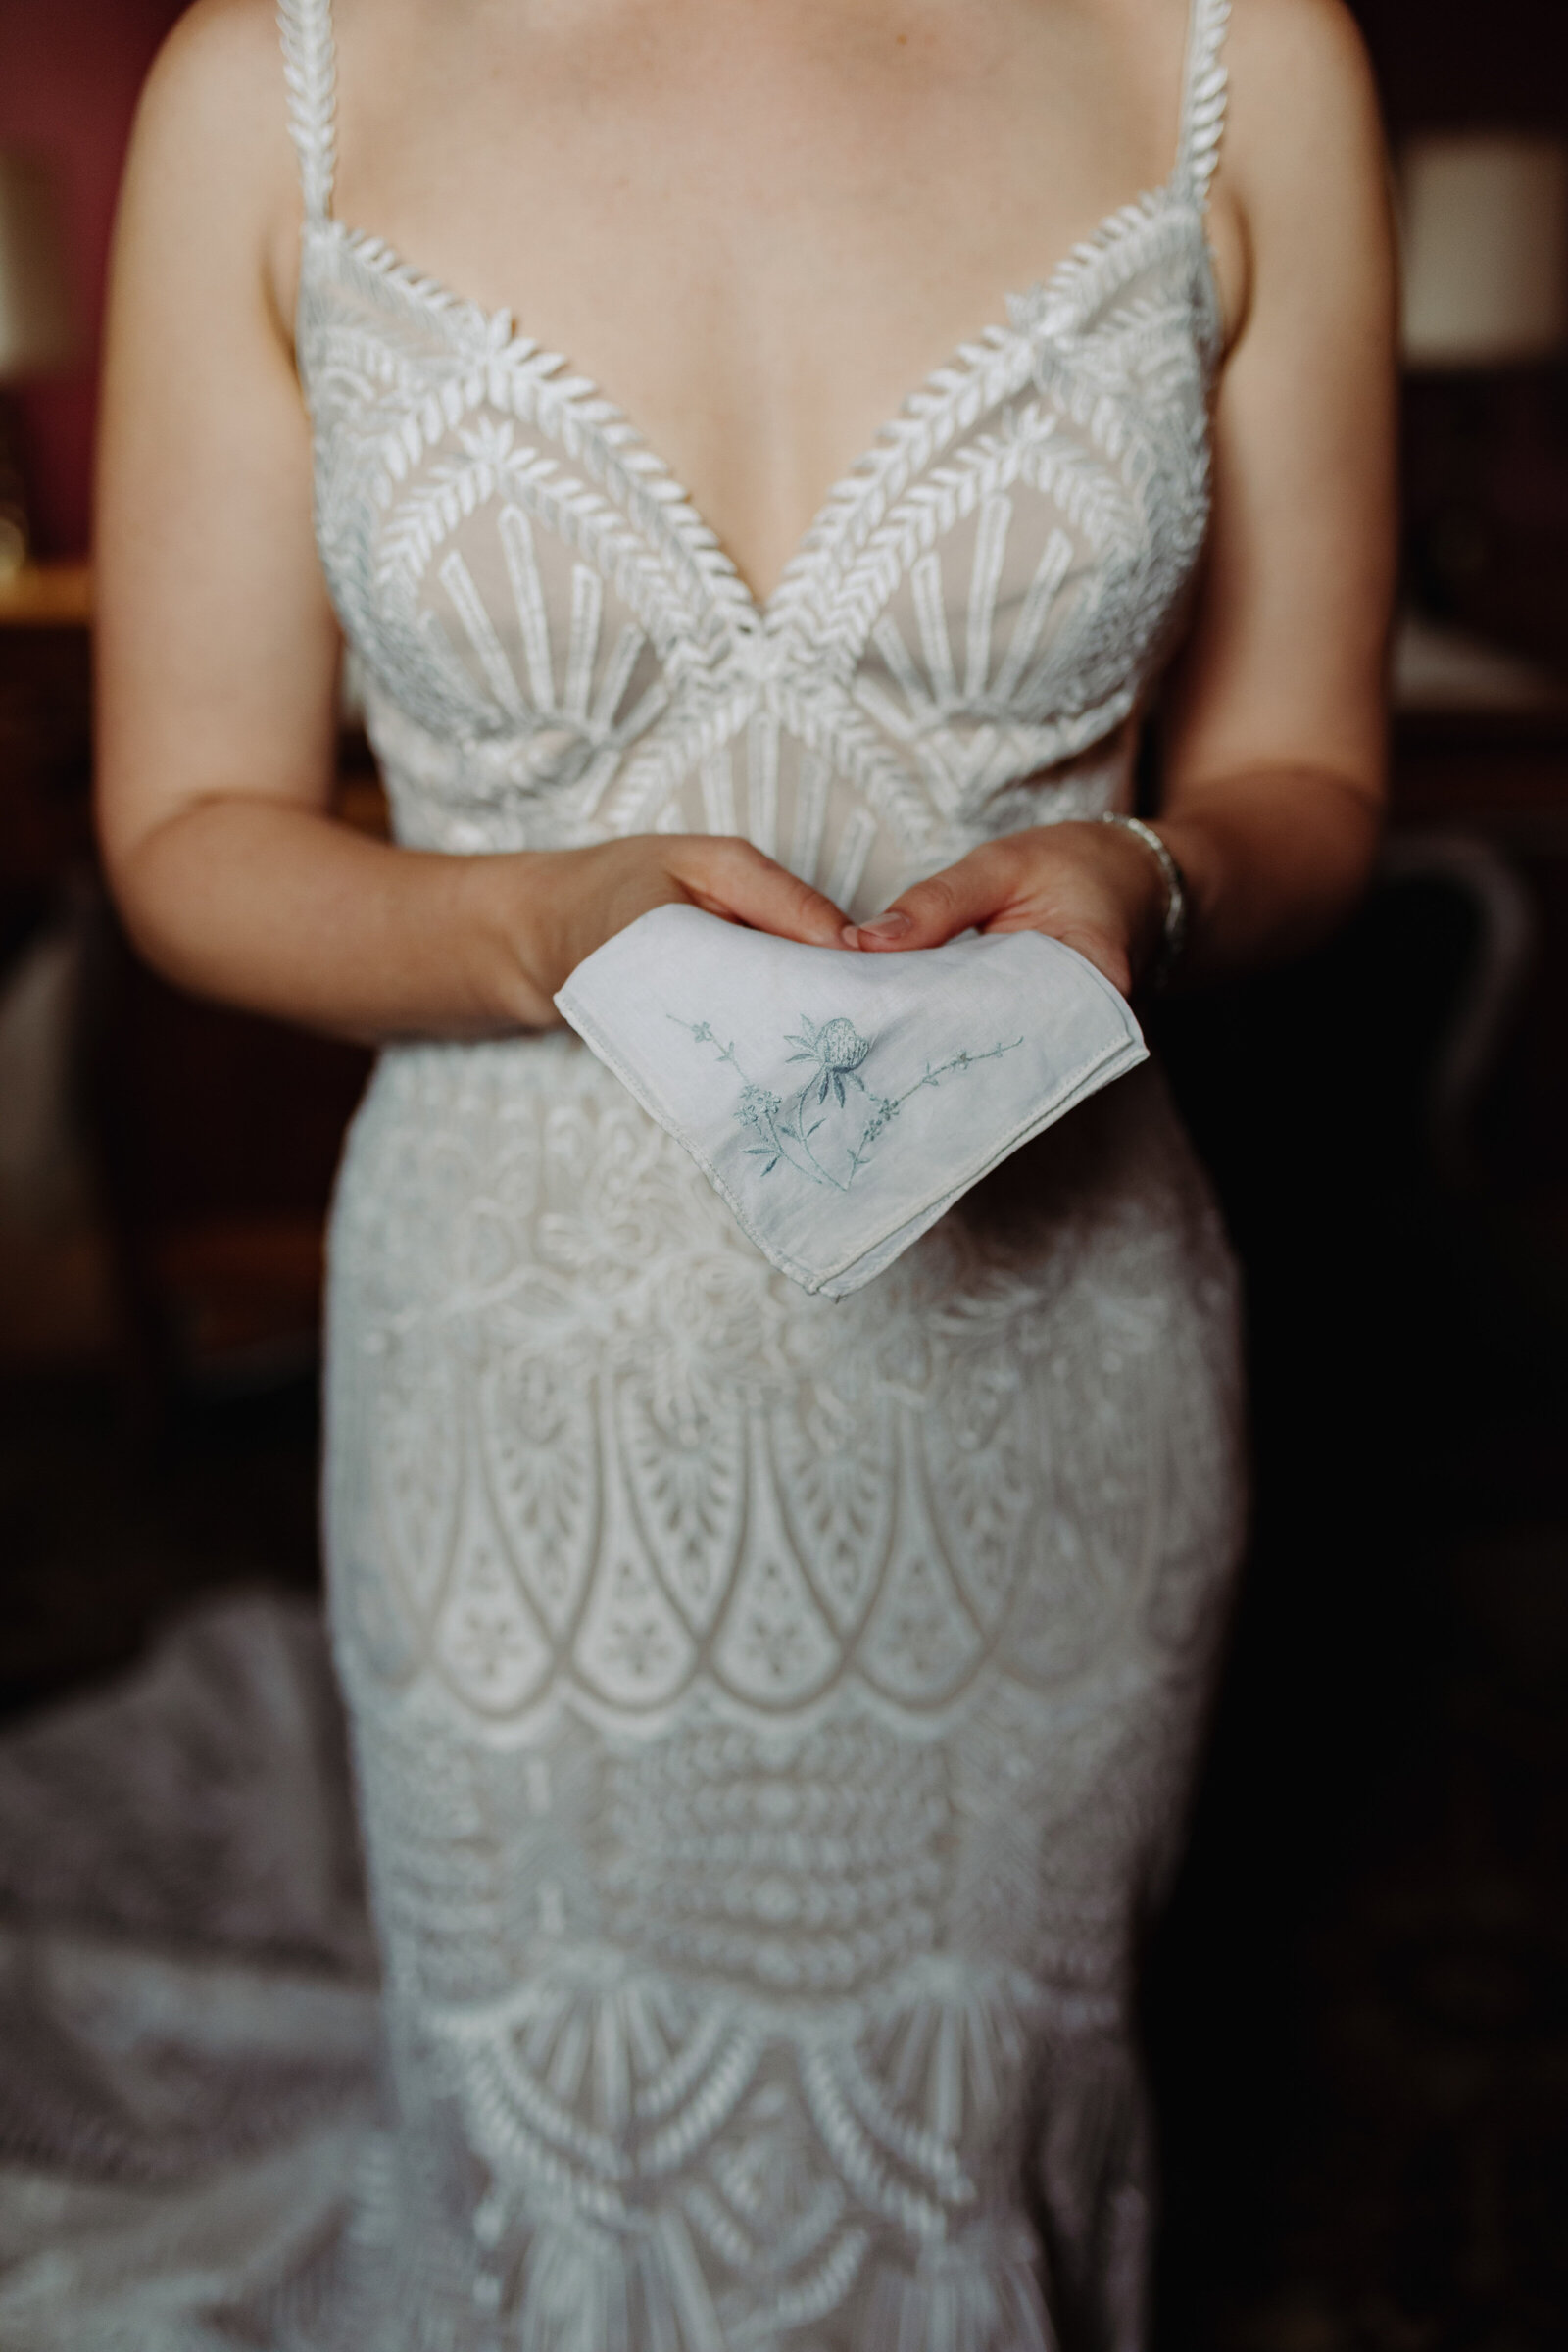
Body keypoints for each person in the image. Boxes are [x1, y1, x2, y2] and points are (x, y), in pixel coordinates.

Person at [74, 0, 1394, 2340]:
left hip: (1046, 1386)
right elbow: (189, 833)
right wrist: (534, 921)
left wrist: (1145, 880)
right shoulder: (274, 81)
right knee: (546, 2151)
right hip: (520, 1384)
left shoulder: (1225, 49)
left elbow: (1304, 766)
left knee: (983, 2138)